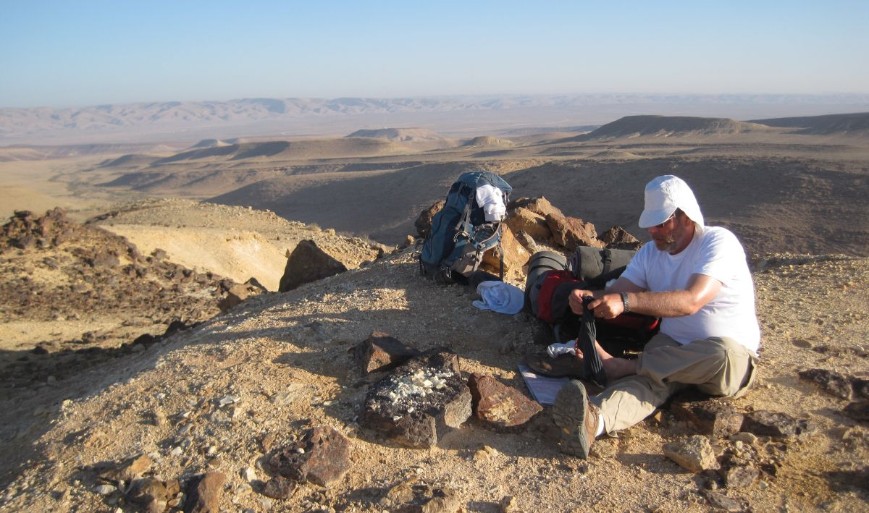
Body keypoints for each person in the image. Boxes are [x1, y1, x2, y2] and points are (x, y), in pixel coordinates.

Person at [552, 174, 760, 459]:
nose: (653, 231)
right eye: (651, 224)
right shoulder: (651, 253)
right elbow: (619, 290)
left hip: (723, 361)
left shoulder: (718, 243)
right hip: (669, 347)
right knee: (647, 381)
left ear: (686, 217)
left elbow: (691, 300)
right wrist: (588, 298)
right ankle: (594, 421)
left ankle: (621, 367)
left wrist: (626, 302)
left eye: (661, 223)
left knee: (721, 352)